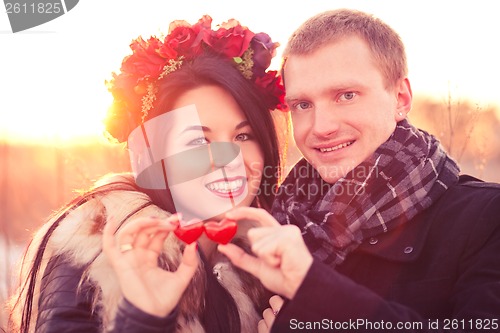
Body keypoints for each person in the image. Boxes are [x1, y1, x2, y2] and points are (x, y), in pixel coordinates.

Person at [218, 8, 500, 332]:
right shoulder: (277, 220)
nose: (320, 127)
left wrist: (319, 307)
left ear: (401, 98)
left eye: (346, 95)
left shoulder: (487, 219)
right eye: (303, 105)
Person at [7, 15, 287, 333]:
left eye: (243, 136)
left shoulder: (260, 260)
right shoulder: (95, 256)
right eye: (198, 140)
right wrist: (141, 321)